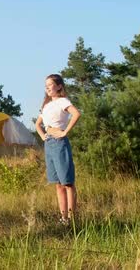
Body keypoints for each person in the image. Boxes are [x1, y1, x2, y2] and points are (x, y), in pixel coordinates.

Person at [35, 74, 81, 225]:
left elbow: (76, 113)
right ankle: (64, 219)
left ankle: (73, 219)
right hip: (49, 144)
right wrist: (43, 136)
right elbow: (38, 124)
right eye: (45, 85)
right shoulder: (46, 105)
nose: (47, 87)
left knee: (67, 183)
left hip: (60, 143)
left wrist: (65, 132)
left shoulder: (63, 101)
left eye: (50, 85)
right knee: (58, 184)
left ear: (59, 86)